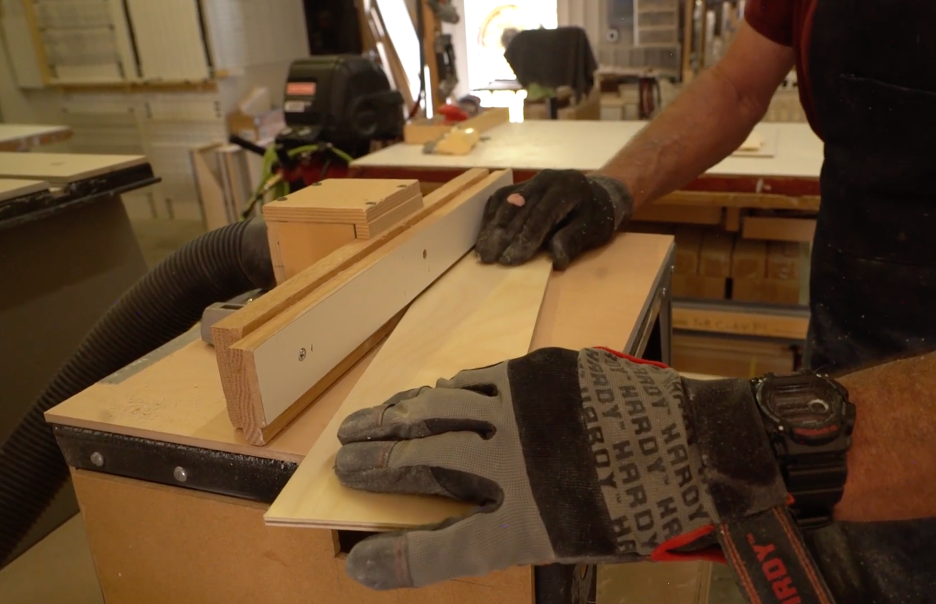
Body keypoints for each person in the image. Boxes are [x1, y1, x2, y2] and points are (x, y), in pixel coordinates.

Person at [335, 1, 936, 600]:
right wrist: (611, 190)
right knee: (842, 558)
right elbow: (735, 86)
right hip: (852, 290)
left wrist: (743, 441)